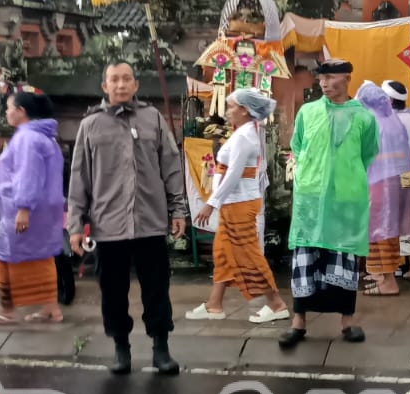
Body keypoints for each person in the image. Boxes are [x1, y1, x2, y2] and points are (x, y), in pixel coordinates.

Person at [67, 63, 187, 376]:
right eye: (114, 80)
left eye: (126, 79)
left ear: (136, 85)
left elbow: (171, 167)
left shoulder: (153, 119)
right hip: (109, 227)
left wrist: (178, 210)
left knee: (157, 289)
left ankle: (161, 348)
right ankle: (121, 348)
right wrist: (75, 227)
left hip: (150, 223)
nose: (120, 85)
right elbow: (79, 178)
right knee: (113, 292)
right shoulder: (91, 125)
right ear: (104, 86)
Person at [282, 59, 377, 347]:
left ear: (347, 78)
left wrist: (344, 177)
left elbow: (368, 153)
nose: (324, 84)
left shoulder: (364, 117)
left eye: (331, 78)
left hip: (346, 199)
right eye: (321, 78)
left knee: (344, 257)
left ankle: (347, 323)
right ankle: (298, 322)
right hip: (310, 197)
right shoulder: (308, 112)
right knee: (305, 258)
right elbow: (297, 146)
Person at [190, 88, 290, 323]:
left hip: (239, 204)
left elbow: (233, 174)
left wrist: (211, 204)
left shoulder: (245, 137)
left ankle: (276, 304)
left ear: (245, 111)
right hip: (234, 203)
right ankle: (214, 304)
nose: (228, 111)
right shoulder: (244, 132)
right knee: (223, 253)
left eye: (232, 107)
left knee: (249, 255)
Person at [0, 87, 66, 325]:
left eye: (9, 108)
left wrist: (24, 209)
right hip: (45, 209)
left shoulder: (27, 138)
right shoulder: (42, 136)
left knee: (0, 255)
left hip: (26, 210)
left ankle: (7, 309)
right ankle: (51, 308)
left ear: (21, 111)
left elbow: (29, 174)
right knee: (42, 257)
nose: (6, 112)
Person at [357, 81, 410, 296]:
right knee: (392, 229)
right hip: (397, 180)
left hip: (378, 181)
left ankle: (386, 281)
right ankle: (385, 277)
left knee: (378, 230)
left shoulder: (372, 122)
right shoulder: (394, 120)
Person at [385, 80, 410, 282]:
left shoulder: (387, 121)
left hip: (389, 175)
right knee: (406, 223)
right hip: (408, 172)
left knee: (388, 223)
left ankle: (392, 267)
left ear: (390, 100)